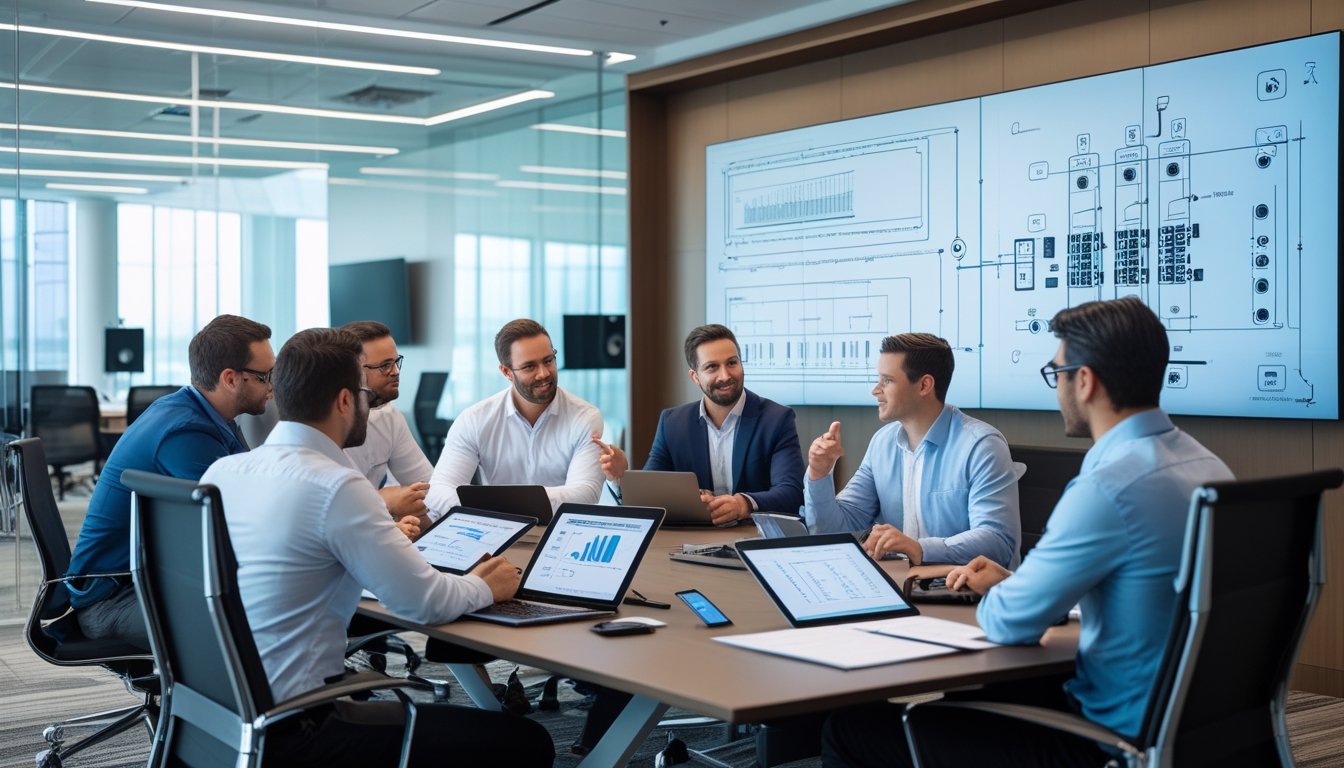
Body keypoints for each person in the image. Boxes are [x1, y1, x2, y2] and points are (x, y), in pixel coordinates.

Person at [820, 297, 1234, 768]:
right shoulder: (1209, 468)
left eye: (1055, 373)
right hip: (1197, 724)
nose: (1056, 388)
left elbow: (1007, 624)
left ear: (1085, 380)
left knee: (851, 728)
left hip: (1105, 739)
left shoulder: (1107, 487)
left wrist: (1013, 595)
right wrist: (1018, 584)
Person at [201, 328, 554, 767]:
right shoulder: (337, 485)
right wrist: (486, 585)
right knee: (528, 742)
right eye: (366, 392)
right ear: (347, 401)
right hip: (300, 729)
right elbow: (423, 603)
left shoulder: (221, 473)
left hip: (217, 716)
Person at [65, 314, 273, 651]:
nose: (273, 387)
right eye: (265, 376)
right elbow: (235, 523)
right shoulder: (187, 432)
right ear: (231, 379)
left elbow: (252, 496)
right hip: (115, 600)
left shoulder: (207, 415)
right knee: (262, 614)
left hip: (147, 579)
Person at [803, 332, 1020, 567]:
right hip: (900, 584)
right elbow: (833, 531)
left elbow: (998, 541)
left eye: (887, 380)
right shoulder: (882, 443)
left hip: (963, 592)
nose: (876, 390)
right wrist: (819, 474)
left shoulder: (981, 445)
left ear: (924, 385)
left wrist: (919, 549)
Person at [592, 323, 804, 523]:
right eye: (712, 367)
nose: (725, 375)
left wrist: (743, 504)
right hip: (689, 541)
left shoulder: (777, 419)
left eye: (732, 363)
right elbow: (651, 496)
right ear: (695, 377)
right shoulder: (673, 423)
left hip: (754, 536)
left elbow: (792, 493)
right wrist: (621, 478)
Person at [425, 318, 603, 520]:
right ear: (506, 372)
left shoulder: (585, 417)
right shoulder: (475, 419)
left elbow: (586, 493)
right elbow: (438, 490)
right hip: (494, 531)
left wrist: (498, 505)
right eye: (529, 367)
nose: (543, 373)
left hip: (559, 532)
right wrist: (491, 512)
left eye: (548, 360)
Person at [341, 320, 433, 527]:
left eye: (395, 362)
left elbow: (427, 487)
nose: (395, 372)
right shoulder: (327, 429)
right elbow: (334, 509)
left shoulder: (389, 416)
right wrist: (385, 500)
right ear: (351, 371)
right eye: (384, 366)